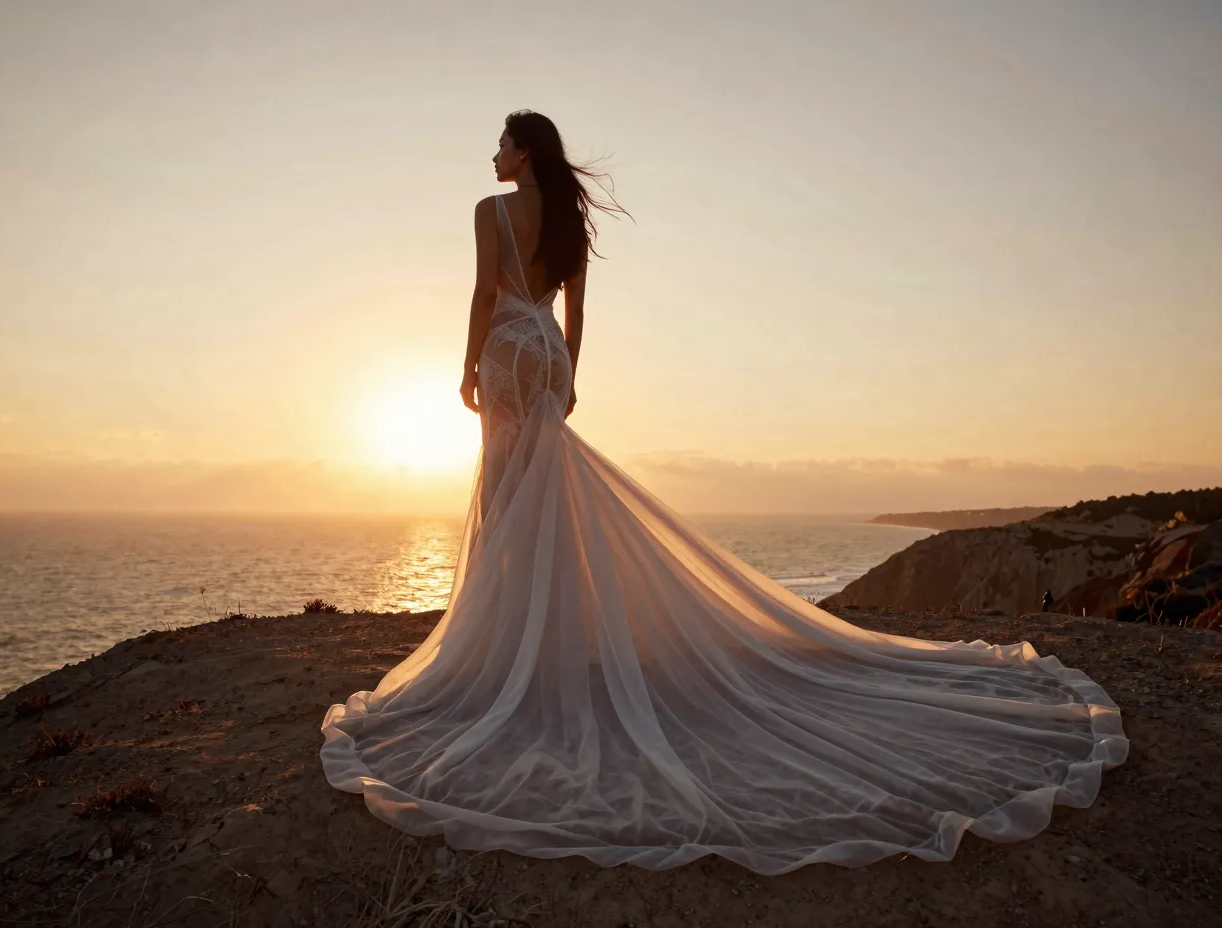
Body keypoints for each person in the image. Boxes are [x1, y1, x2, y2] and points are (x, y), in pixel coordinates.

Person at [320, 110, 1128, 873]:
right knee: (546, 500)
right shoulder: (569, 224)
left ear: (523, 151)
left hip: (503, 349)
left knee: (504, 503)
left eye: (500, 144)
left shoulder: (488, 211)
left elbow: (479, 293)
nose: (492, 156)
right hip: (547, 355)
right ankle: (540, 647)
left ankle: (511, 657)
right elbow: (574, 315)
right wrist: (570, 380)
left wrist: (464, 366)